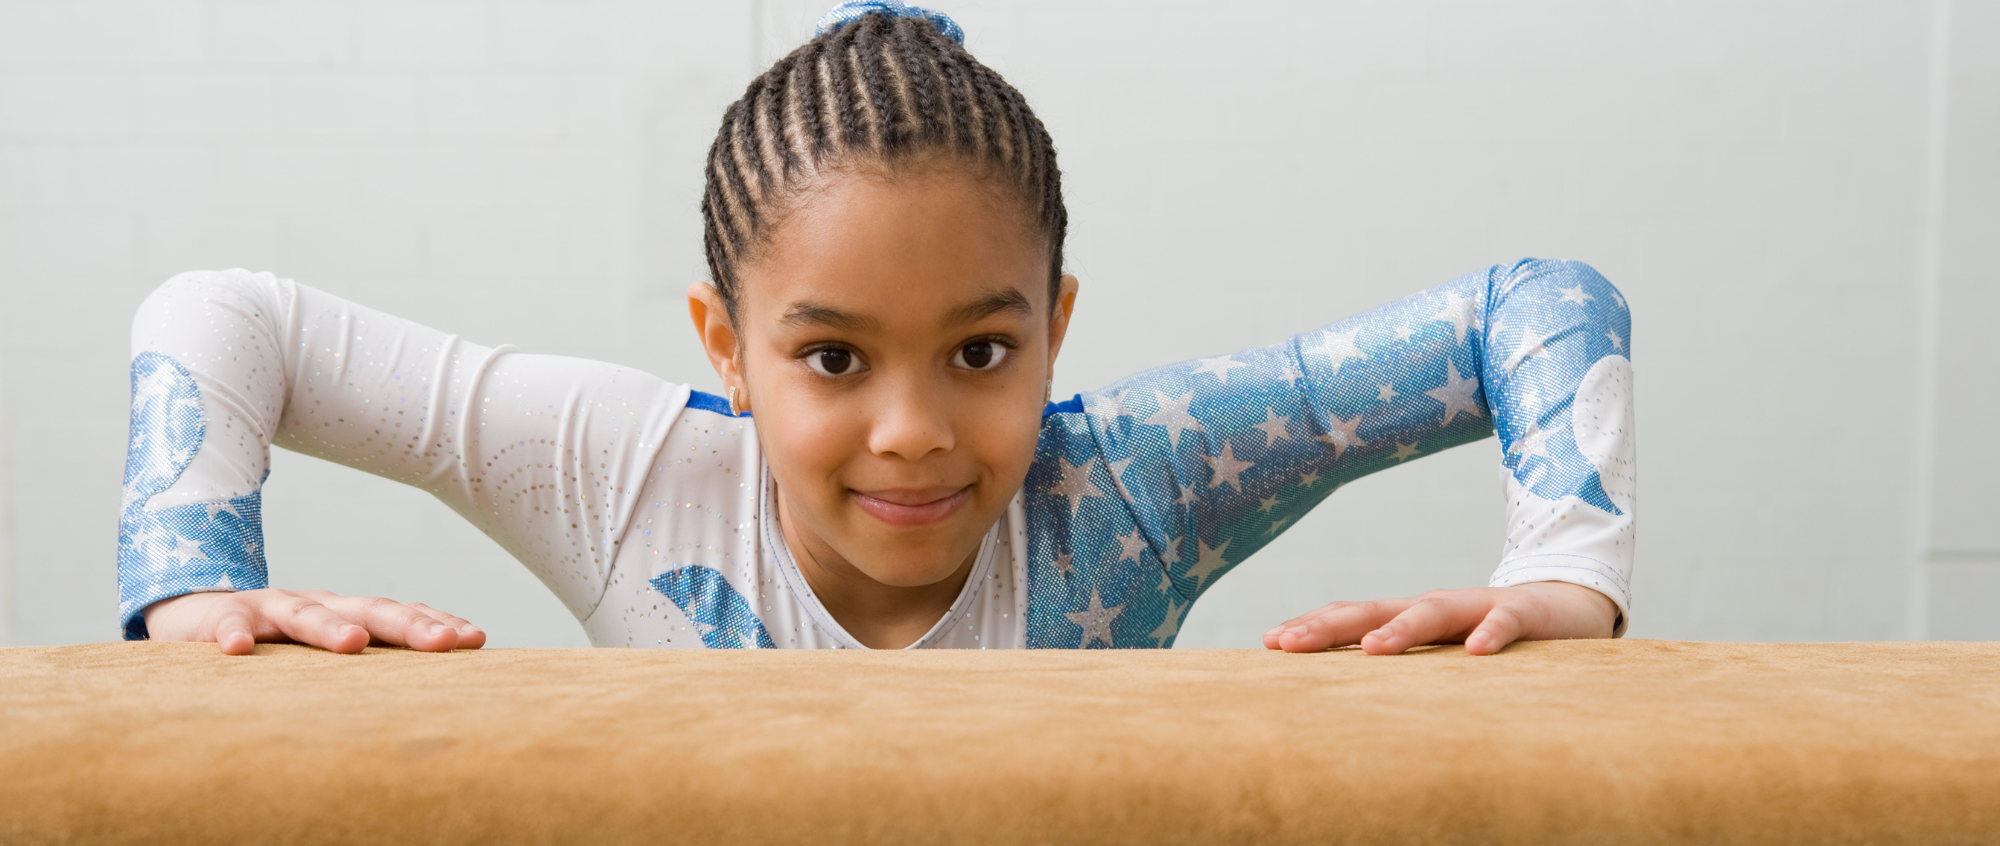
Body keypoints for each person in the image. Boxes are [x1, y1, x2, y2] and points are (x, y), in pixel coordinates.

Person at [118, 1, 1634, 656]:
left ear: (1057, 325)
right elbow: (219, 318)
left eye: (982, 352)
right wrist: (194, 586)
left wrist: (1565, 574)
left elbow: (1541, 303)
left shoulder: (1132, 488)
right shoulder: (626, 474)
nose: (912, 428)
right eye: (832, 358)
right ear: (726, 344)